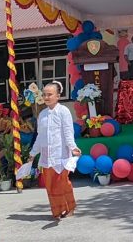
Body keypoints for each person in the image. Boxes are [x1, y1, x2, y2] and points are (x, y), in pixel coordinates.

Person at [28, 81, 81, 219]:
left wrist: (73, 148)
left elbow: (69, 132)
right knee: (50, 185)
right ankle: (57, 210)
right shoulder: (42, 114)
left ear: (58, 96)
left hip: (61, 155)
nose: (46, 97)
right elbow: (40, 137)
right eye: (44, 94)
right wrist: (33, 154)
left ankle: (70, 207)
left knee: (63, 183)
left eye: (50, 94)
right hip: (46, 157)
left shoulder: (63, 111)